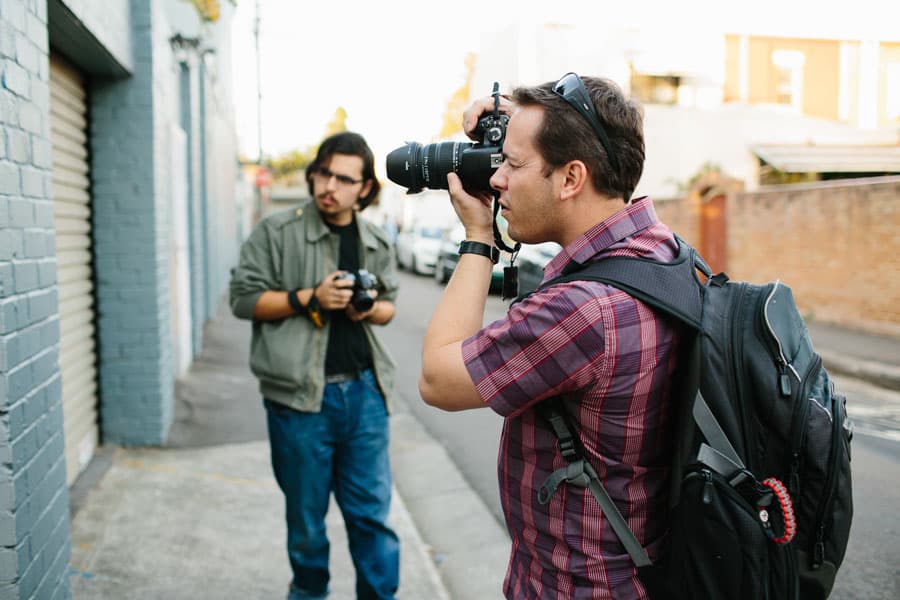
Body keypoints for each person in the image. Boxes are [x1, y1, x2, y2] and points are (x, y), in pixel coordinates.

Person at [419, 74, 682, 599]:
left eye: (512, 165)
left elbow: (437, 380)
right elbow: (584, 117)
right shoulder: (665, 253)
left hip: (574, 587)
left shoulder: (581, 312)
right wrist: (514, 109)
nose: (496, 180)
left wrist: (477, 237)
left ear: (570, 179)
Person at [230, 131, 400, 600]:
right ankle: (308, 593)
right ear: (312, 173)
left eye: (345, 179)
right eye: (324, 173)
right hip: (299, 400)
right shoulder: (276, 231)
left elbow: (389, 307)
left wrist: (367, 309)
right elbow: (243, 300)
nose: (330, 186)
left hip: (365, 395)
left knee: (371, 518)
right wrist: (311, 298)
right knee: (306, 521)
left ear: (364, 189)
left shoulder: (375, 241)